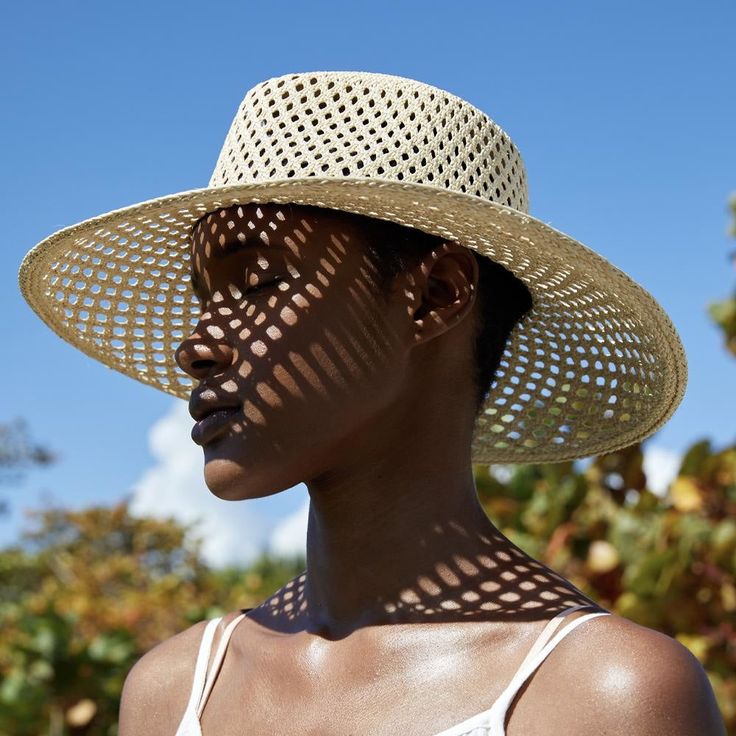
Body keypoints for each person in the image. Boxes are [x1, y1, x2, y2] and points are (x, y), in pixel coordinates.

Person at [18, 71, 725, 734]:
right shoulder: (172, 693)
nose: (196, 346)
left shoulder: (603, 700)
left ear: (436, 295)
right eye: (206, 299)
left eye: (258, 282)